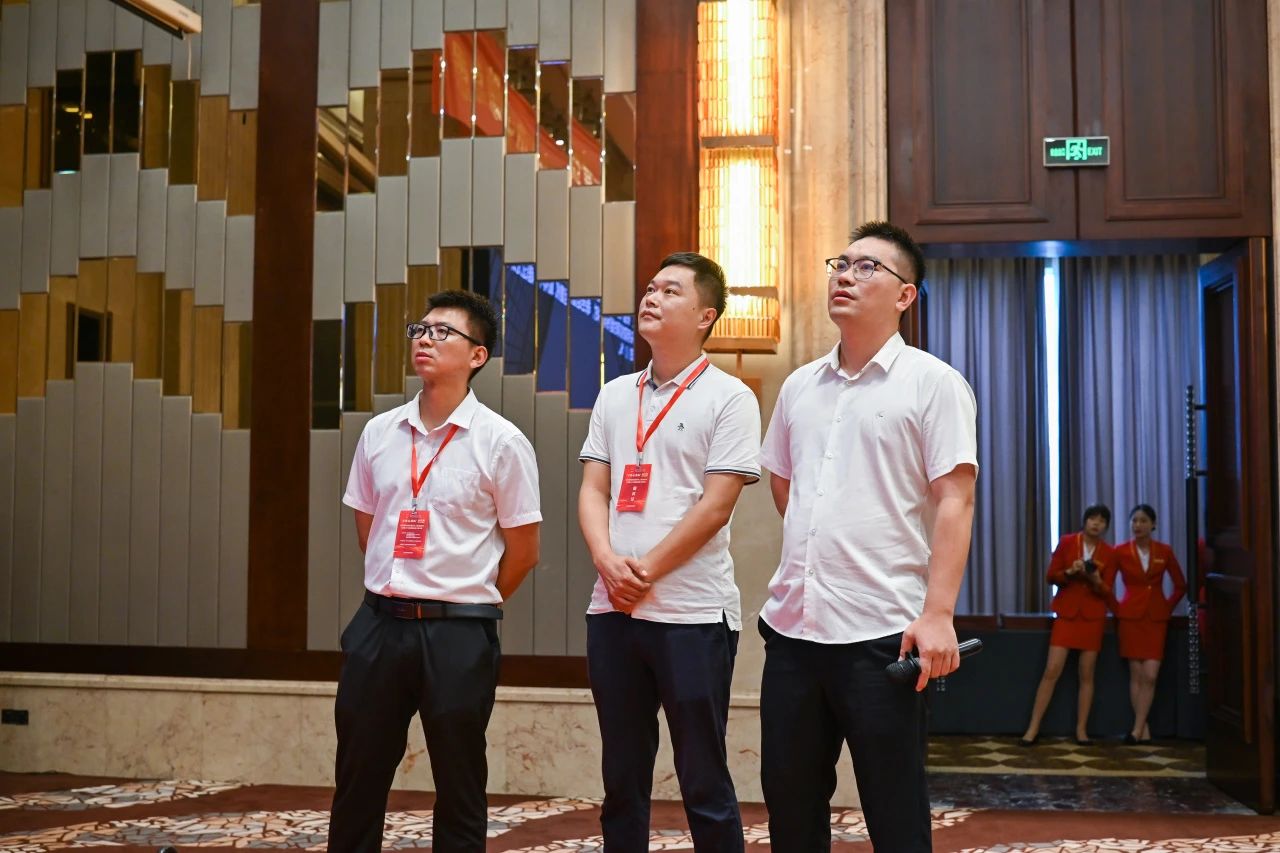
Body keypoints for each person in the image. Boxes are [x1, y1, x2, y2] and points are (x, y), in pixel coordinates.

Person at [758, 221, 978, 852]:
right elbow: (785, 484)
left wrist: (938, 614)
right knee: (791, 807)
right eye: (840, 264)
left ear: (905, 295)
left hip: (883, 635)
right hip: (794, 631)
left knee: (894, 809)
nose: (845, 276)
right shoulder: (800, 385)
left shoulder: (933, 383)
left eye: (865, 268)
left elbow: (956, 501)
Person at [329, 290, 542, 853]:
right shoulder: (380, 433)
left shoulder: (501, 442)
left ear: (477, 355)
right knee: (358, 776)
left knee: (460, 780)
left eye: (443, 332)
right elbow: (369, 530)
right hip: (379, 626)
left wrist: (468, 599)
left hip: (458, 633)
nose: (425, 339)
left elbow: (524, 551)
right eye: (420, 330)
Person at [578, 251, 761, 852]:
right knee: (621, 777)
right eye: (650, 288)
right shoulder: (615, 395)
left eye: (671, 290)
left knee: (702, 777)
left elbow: (716, 505)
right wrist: (607, 562)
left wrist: (645, 570)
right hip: (613, 610)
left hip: (692, 615)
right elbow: (594, 489)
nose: (651, 297)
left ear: (706, 315)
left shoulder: (730, 397)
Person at [1019, 505, 1117, 747]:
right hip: (1067, 615)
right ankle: (1033, 728)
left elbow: (1107, 592)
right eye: (1092, 518)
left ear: (1106, 526)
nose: (1096, 523)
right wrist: (1070, 572)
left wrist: (1095, 580)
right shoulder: (1067, 542)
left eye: (1101, 521)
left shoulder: (1110, 553)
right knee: (1051, 670)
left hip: (1093, 617)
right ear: (1085, 521)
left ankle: (1082, 730)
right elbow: (1051, 576)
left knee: (1087, 674)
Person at [1114, 504, 1187, 744]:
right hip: (1131, 617)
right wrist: (1118, 609)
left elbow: (1181, 585)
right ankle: (1140, 730)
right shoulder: (1120, 551)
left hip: (1156, 618)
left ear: (1153, 524)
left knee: (1151, 675)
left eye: (1143, 520)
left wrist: (1166, 607)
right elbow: (1104, 585)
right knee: (1136, 674)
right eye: (1134, 520)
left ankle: (1137, 728)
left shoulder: (1164, 551)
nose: (1138, 525)